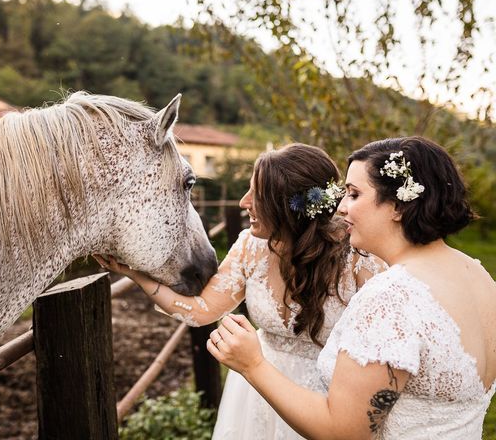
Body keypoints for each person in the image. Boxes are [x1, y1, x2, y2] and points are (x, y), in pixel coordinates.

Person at [208, 136, 496, 439]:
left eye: (354, 195)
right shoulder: (478, 276)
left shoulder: (391, 298)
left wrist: (253, 364)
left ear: (398, 206)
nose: (341, 208)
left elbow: (342, 432)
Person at [95, 143, 385, 440]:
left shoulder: (360, 260)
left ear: (288, 207)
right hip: (254, 392)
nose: (243, 203)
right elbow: (200, 311)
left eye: (257, 196)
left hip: (326, 397)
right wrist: (135, 275)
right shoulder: (251, 246)